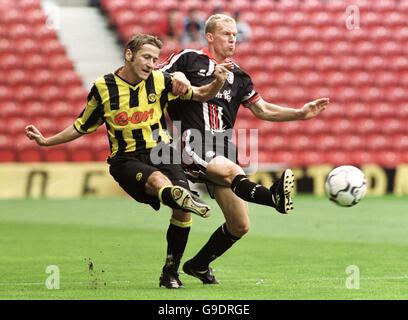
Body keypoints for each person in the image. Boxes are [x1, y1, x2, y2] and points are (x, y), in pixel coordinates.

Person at [25, 33, 232, 289]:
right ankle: (179, 194)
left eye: (155, 58)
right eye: (146, 57)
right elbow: (81, 126)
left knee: (181, 211)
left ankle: (170, 272)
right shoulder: (103, 88)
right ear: (129, 55)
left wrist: (218, 82)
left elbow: (200, 94)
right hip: (126, 159)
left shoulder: (161, 80)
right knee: (159, 182)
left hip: (163, 152)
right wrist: (47, 141)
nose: (151, 63)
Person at [159, 14, 330, 285]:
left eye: (235, 34)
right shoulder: (189, 58)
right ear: (211, 36)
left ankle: (198, 266)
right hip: (191, 143)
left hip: (222, 149)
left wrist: (299, 113)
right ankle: (271, 197)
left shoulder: (239, 75)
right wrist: (175, 74)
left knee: (240, 225)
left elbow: (262, 109)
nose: (233, 39)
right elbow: (157, 75)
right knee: (198, 197)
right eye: (227, 33)